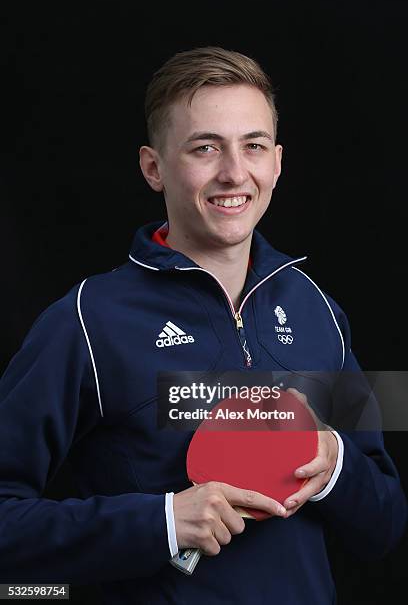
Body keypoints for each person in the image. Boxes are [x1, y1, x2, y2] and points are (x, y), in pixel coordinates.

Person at [0, 46, 406, 604]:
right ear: (153, 167)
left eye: (253, 146)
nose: (234, 172)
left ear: (278, 163)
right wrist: (161, 523)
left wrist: (337, 465)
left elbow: (383, 526)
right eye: (205, 147)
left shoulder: (321, 313)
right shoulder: (86, 321)